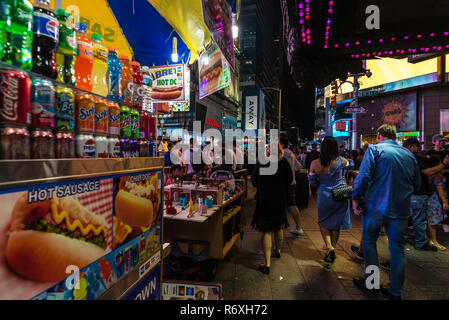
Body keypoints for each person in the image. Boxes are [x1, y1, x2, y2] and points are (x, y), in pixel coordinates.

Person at [352, 124, 420, 300]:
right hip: (401, 209)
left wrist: (356, 198)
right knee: (397, 248)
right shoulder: (409, 155)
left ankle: (372, 284)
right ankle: (395, 291)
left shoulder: (375, 150)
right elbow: (417, 184)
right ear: (395, 136)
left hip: (376, 206)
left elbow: (364, 176)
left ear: (379, 135)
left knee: (369, 242)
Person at [308, 136, 351, 263]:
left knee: (323, 222)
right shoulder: (342, 161)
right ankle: (332, 249)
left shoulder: (315, 163)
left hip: (325, 194)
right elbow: (349, 165)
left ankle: (329, 248)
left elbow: (313, 182)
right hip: (341, 192)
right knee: (336, 224)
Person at [251, 143, 292, 275]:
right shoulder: (284, 163)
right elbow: (289, 180)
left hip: (264, 199)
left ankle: (267, 264)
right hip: (279, 199)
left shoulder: (262, 162)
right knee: (278, 226)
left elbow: (254, 181)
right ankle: (278, 250)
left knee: (266, 230)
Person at [404, 138, 449, 251]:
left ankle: (402, 238)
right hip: (418, 193)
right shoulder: (416, 158)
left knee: (406, 218)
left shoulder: (403, 158)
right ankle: (421, 243)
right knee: (419, 220)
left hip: (407, 192)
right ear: (410, 147)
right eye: (417, 146)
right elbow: (428, 172)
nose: (419, 148)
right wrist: (444, 164)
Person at [280, 137, 305, 237]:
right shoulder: (292, 155)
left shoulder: (281, 155)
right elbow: (299, 167)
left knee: (281, 205)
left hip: (282, 184)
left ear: (281, 145)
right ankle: (299, 227)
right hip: (292, 183)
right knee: (292, 204)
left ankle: (279, 228)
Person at [426, 155, 449, 250]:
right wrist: (445, 202)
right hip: (435, 201)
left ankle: (431, 240)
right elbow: (440, 190)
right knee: (433, 221)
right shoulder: (436, 176)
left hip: (433, 200)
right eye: (439, 162)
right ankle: (433, 241)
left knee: (432, 221)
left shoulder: (433, 174)